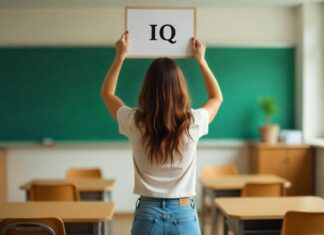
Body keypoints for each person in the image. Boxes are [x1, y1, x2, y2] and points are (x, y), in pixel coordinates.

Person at [101, 31, 223, 235]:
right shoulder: (193, 121)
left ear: (147, 89)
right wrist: (201, 60)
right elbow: (216, 98)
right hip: (184, 212)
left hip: (147, 213)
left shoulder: (134, 121)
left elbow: (107, 94)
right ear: (180, 90)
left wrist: (120, 56)